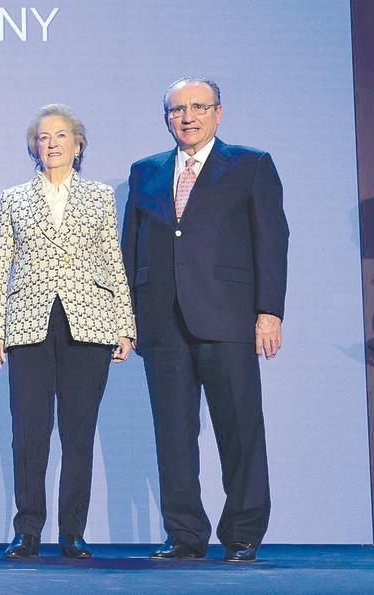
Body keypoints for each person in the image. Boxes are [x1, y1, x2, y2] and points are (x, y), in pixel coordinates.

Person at [122, 77, 288, 563]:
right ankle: (185, 535)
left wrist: (269, 311)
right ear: (166, 117)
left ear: (219, 112)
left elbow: (272, 242)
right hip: (161, 321)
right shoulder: (145, 171)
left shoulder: (251, 165)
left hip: (229, 318)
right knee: (173, 434)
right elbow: (133, 248)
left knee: (239, 430)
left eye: (198, 107)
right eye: (177, 110)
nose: (187, 117)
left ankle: (242, 533)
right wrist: (128, 318)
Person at [0, 104, 135, 560]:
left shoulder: (99, 196)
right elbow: (0, 268)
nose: (50, 143)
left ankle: (73, 531)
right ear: (34, 146)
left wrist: (125, 326)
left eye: (60, 135)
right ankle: (27, 530)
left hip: (89, 322)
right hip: (28, 323)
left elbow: (113, 260)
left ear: (78, 144)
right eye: (42, 137)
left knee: (79, 431)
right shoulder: (14, 198)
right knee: (29, 432)